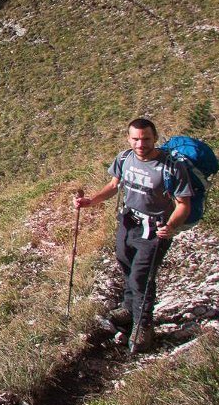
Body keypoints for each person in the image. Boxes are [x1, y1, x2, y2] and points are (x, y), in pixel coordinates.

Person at [74, 117, 193, 353]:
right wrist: (90, 201)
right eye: (136, 139)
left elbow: (183, 204)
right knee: (125, 262)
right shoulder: (124, 158)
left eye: (146, 139)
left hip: (155, 228)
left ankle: (143, 326)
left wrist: (170, 225)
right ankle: (129, 308)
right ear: (129, 139)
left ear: (155, 138)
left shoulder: (170, 167)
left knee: (142, 276)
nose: (141, 144)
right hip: (129, 221)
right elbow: (113, 186)